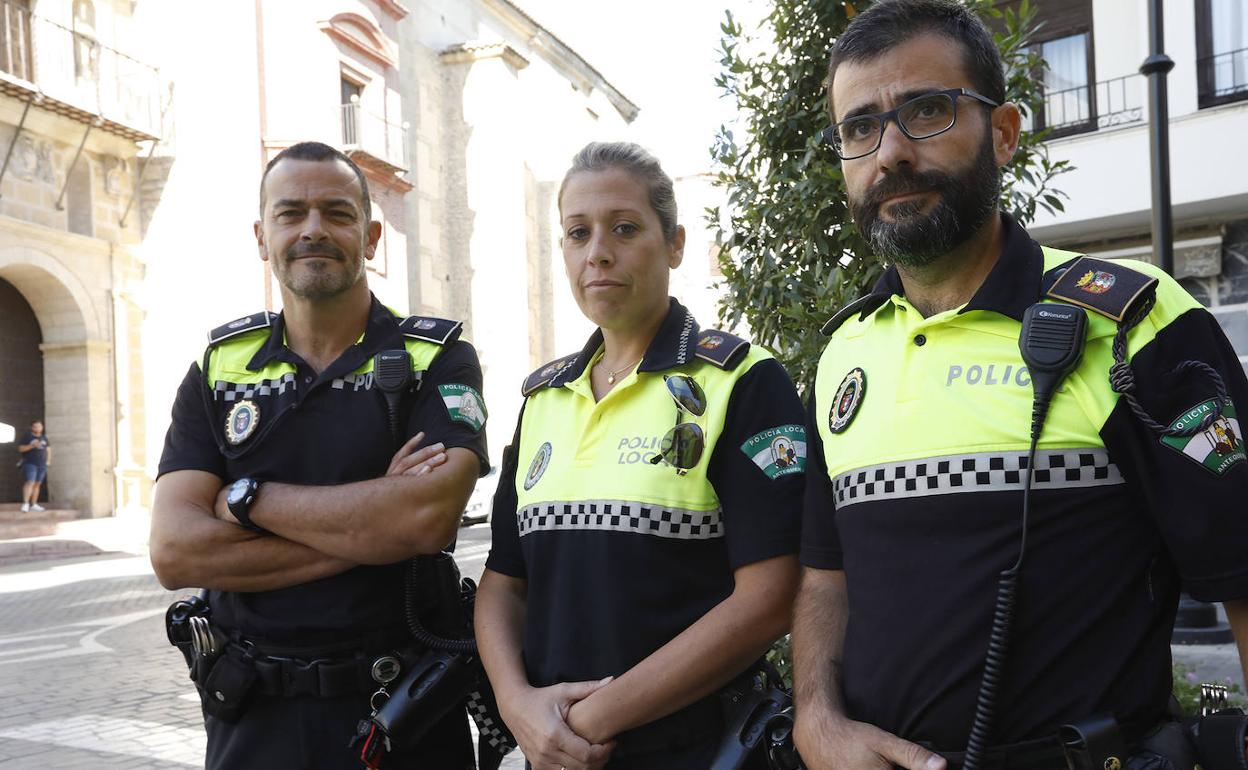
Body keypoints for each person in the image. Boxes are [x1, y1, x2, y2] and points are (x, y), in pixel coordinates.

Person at [792, 2, 1248, 769]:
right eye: (859, 127)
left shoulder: (1135, 322)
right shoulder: (844, 351)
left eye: (927, 111)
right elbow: (823, 575)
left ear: (1003, 133)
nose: (891, 151)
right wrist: (816, 719)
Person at [150, 141, 488, 770]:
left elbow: (423, 520)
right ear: (262, 235)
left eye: (337, 212)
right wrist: (370, 525)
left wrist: (246, 501)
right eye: (291, 213)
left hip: (401, 714)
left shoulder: (433, 359)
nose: (313, 229)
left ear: (371, 236)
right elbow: (175, 551)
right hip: (252, 714)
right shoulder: (219, 371)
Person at [475, 141, 805, 770]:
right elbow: (503, 582)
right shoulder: (544, 399)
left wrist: (588, 721)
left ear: (674, 243)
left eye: (624, 228)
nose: (598, 251)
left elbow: (770, 594)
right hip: (550, 749)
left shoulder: (739, 382)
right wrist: (517, 704)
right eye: (578, 232)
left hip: (694, 751)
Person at [17, 419, 50, 512]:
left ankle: (34, 504)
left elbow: (48, 449)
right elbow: (20, 449)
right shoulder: (27, 437)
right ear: (32, 427)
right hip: (30, 463)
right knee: (30, 482)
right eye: (35, 426)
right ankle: (25, 503)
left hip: (42, 464)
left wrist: (48, 461)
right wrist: (32, 446)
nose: (38, 428)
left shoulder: (44, 438)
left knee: (37, 484)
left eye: (40, 426)